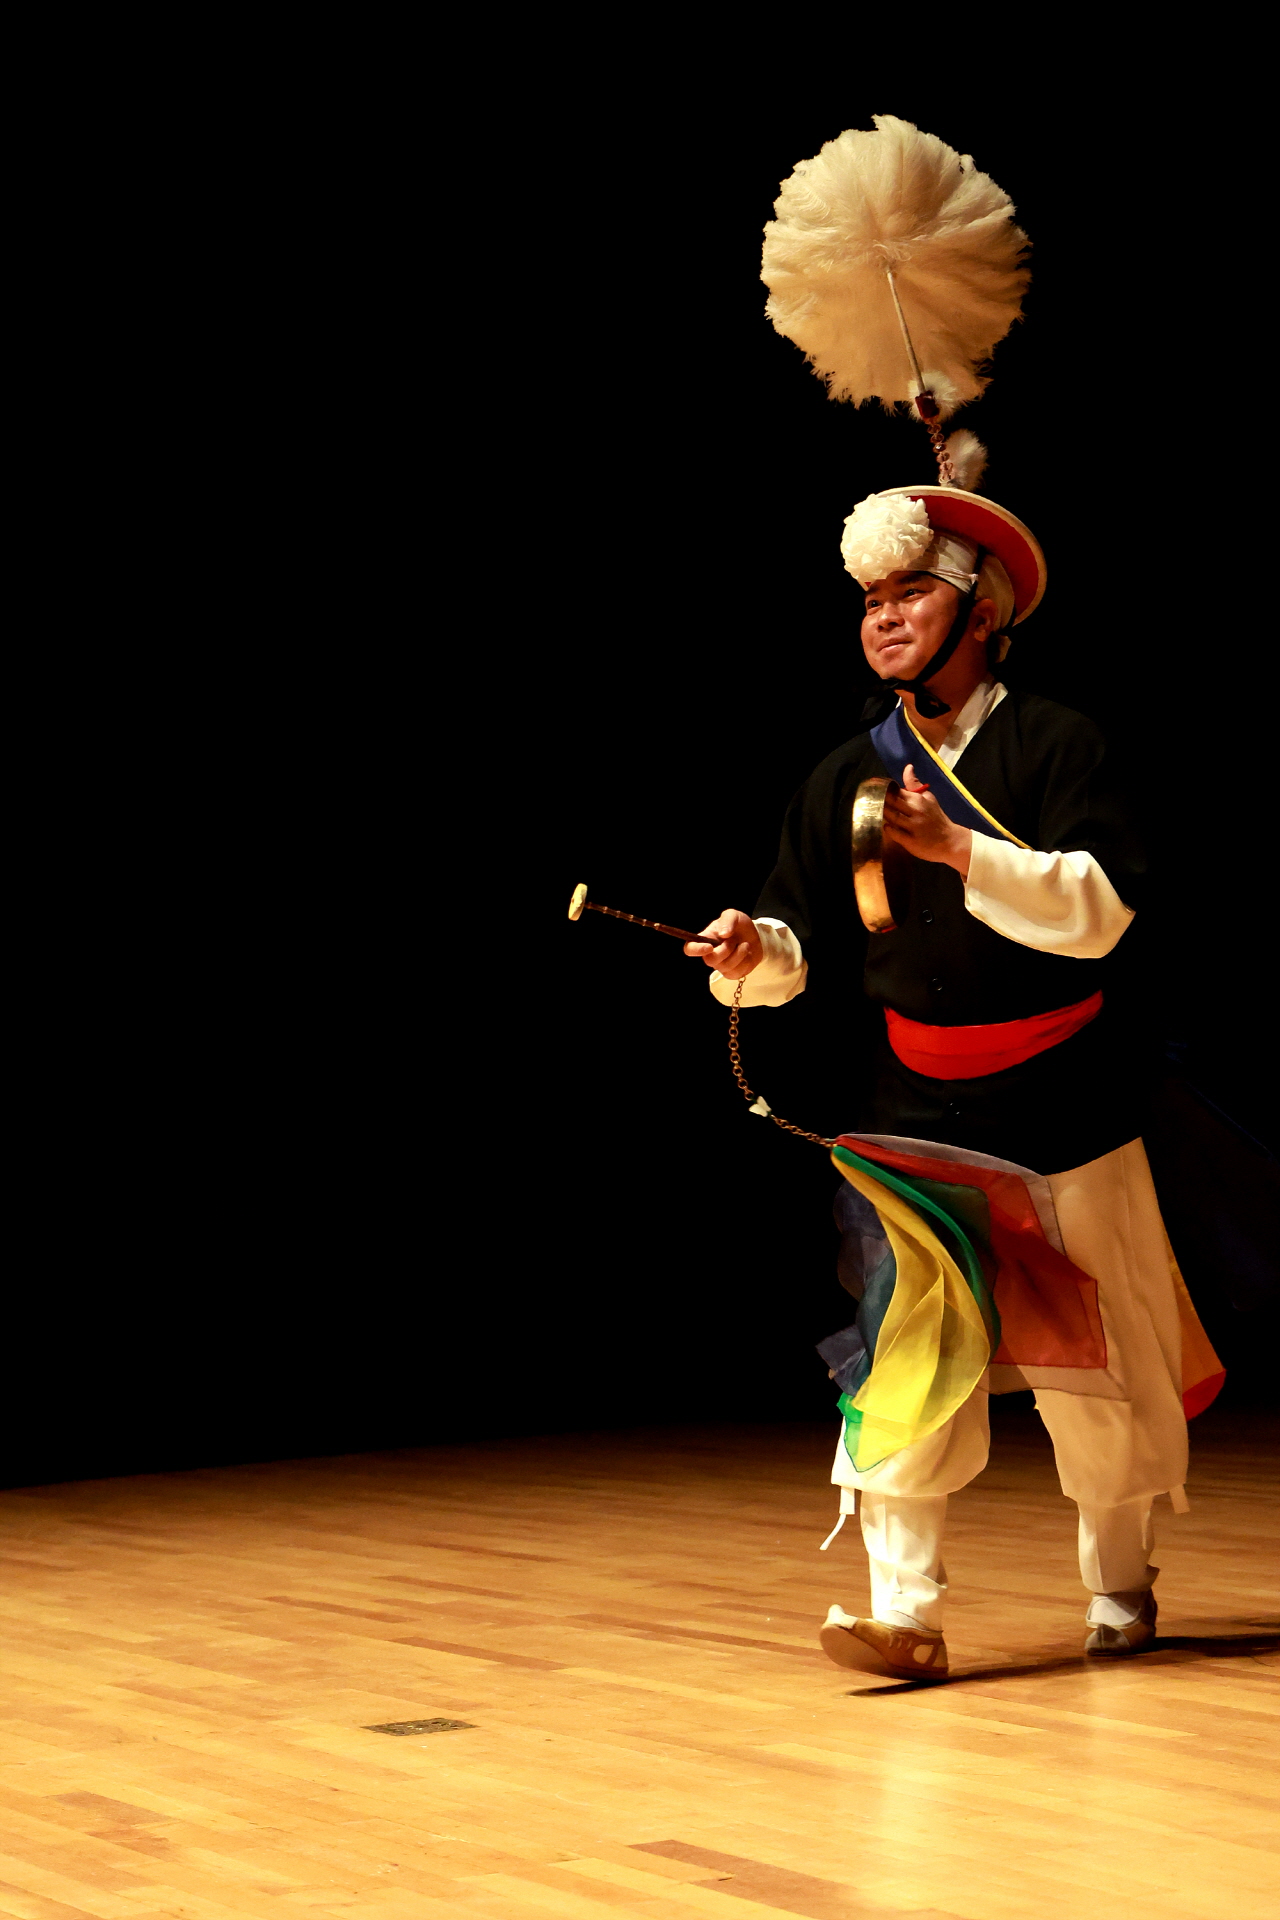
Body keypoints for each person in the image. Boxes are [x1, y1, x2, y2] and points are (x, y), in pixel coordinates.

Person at [684, 483, 1219, 1683]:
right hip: (912, 1111)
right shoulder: (845, 773)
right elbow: (797, 931)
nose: (882, 617)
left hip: (1062, 1104)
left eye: (910, 591)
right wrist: (751, 951)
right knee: (906, 1353)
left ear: (982, 613)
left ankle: (1118, 1586)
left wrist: (957, 848)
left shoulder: (1060, 745)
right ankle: (905, 1612)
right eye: (868, 598)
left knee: (1102, 1365)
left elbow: (1099, 912)